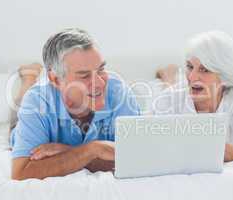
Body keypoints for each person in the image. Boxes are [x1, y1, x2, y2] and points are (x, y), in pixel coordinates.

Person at [10, 28, 140, 180]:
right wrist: (94, 149)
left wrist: (76, 152)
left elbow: (138, 161)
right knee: (16, 117)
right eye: (85, 76)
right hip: (23, 121)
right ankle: (29, 78)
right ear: (56, 80)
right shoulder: (36, 101)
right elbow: (21, 173)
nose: (99, 83)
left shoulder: (119, 92)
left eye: (101, 69)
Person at [155, 31, 233, 162]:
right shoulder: (167, 99)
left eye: (204, 69)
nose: (192, 76)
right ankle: (168, 76)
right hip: (174, 93)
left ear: (224, 76)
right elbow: (156, 148)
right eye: (189, 66)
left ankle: (170, 76)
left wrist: (198, 143)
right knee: (172, 89)